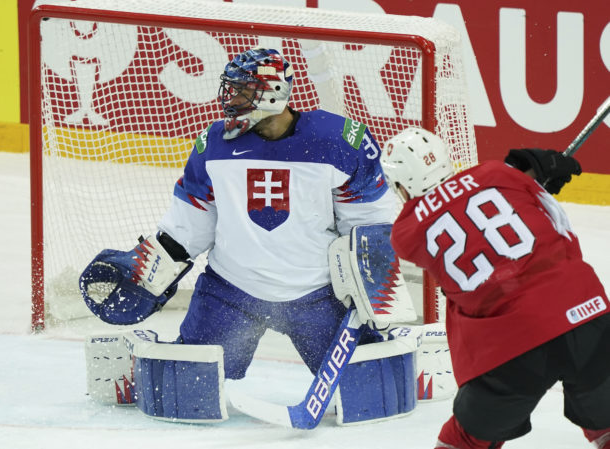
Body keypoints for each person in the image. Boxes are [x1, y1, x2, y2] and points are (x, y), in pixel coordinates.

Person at [80, 48, 408, 422]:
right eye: (231, 88)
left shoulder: (339, 141)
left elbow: (370, 224)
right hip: (232, 292)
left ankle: (417, 351)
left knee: (372, 394)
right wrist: (147, 270)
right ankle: (138, 356)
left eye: (242, 90)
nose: (230, 98)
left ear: (273, 93)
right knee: (186, 395)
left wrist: (374, 290)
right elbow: (190, 224)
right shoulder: (214, 144)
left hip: (318, 295)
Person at [380, 127, 610, 448]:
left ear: (402, 187)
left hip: (510, 348)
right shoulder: (497, 172)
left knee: (464, 440)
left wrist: (524, 179)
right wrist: (530, 178)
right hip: (585, 314)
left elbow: (464, 229)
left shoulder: (405, 234)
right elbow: (540, 207)